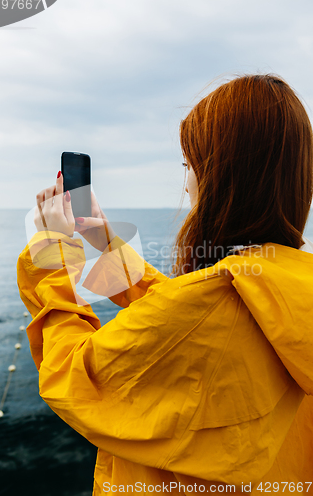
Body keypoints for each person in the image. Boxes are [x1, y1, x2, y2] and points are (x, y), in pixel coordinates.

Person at [17, 74, 313, 495]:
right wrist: (103, 238)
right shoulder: (286, 284)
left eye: (189, 166)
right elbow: (181, 308)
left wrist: (50, 251)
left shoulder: (211, 306)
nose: (186, 183)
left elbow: (72, 376)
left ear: (220, 176)